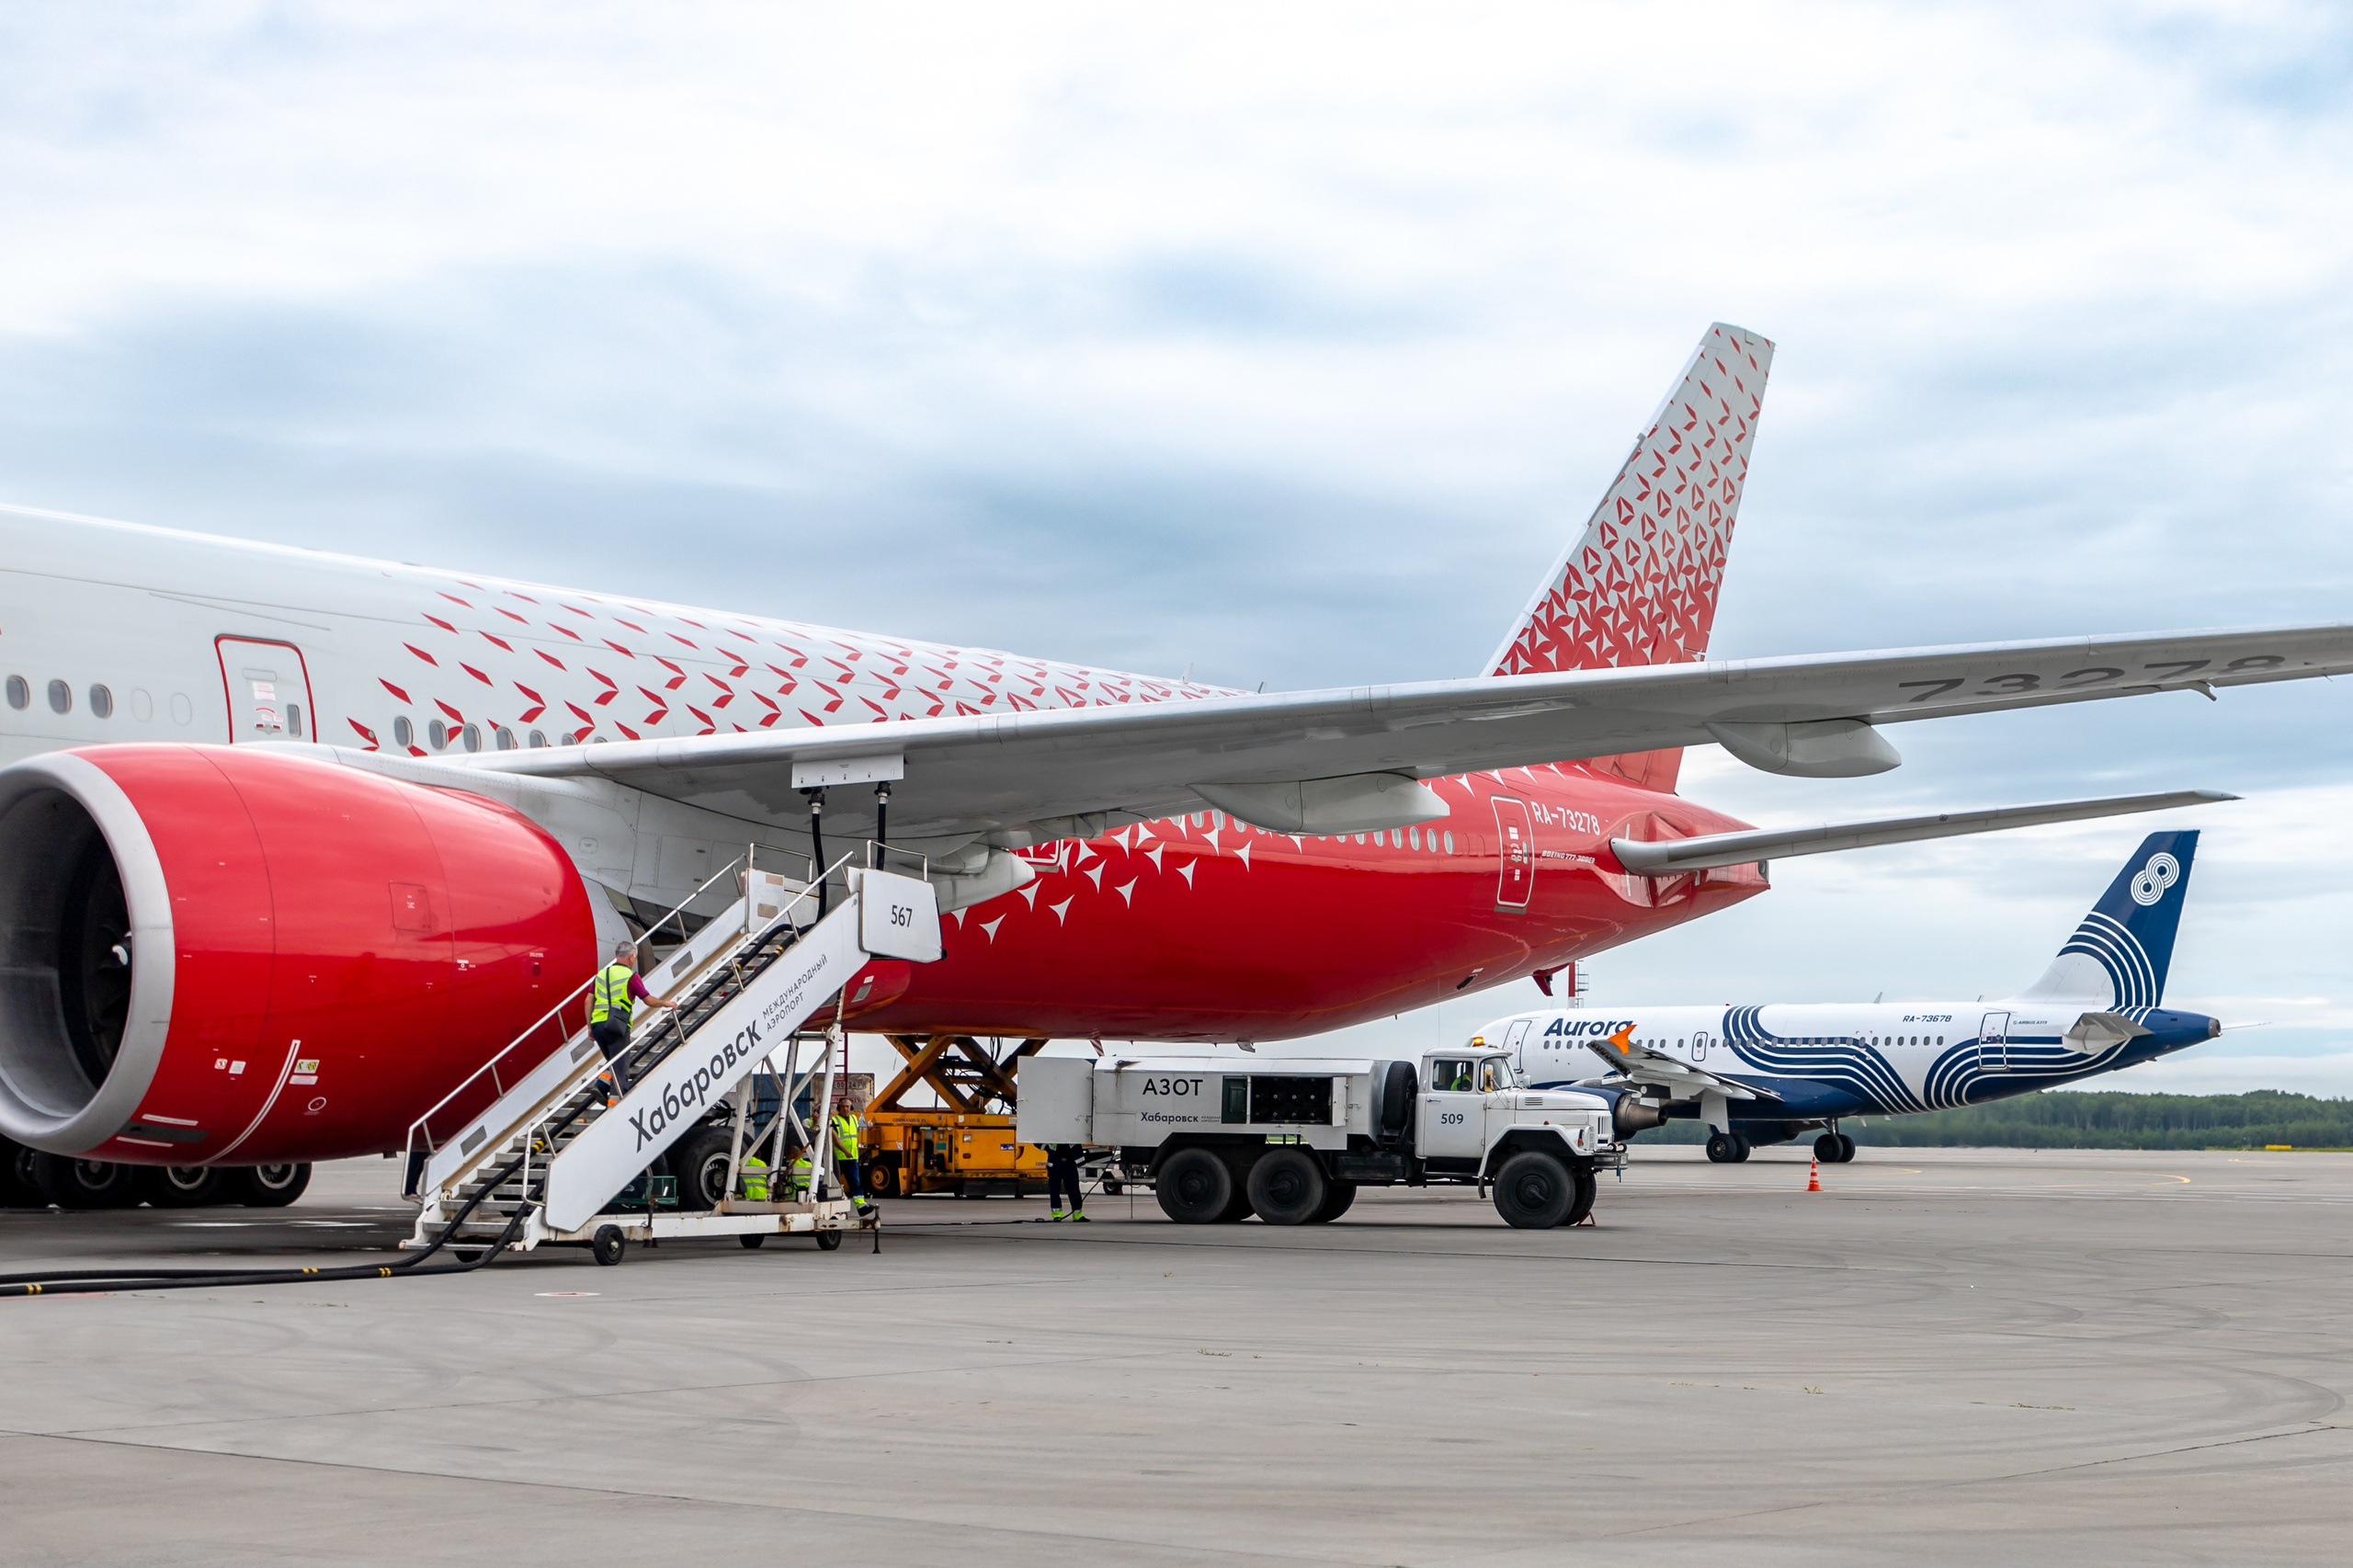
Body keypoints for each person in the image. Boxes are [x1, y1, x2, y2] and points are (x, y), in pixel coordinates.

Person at [587, 940, 673, 1096]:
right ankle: (613, 1103)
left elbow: (588, 1001)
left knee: (614, 1061)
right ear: (632, 957)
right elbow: (648, 1000)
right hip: (616, 1025)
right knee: (621, 1070)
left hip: (597, 1025)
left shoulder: (601, 974)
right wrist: (665, 1003)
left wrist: (589, 1027)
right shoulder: (631, 976)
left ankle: (602, 1085)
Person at [829, 1105, 875, 1217]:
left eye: (848, 1106)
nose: (846, 1108)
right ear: (839, 1108)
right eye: (844, 1106)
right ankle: (830, 1206)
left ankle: (861, 1207)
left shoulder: (854, 1119)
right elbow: (835, 1140)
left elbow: (858, 1130)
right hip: (838, 1158)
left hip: (851, 1157)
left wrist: (869, 1125)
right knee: (832, 1183)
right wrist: (845, 1151)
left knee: (855, 1183)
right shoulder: (835, 1120)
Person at [1046, 1142, 1087, 1221]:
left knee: (1074, 1189)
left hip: (1070, 1162)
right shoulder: (1050, 1131)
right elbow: (1036, 1138)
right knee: (1054, 1190)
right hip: (1055, 1162)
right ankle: (1057, 1215)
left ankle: (1077, 1215)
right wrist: (1047, 1147)